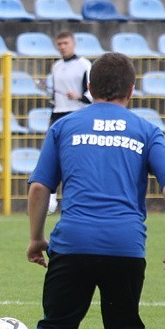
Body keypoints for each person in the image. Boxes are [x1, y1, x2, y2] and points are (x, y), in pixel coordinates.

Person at [22, 52, 165, 329]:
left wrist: (35, 238)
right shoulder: (147, 130)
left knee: (55, 326)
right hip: (125, 246)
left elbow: (38, 188)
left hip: (73, 242)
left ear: (88, 88)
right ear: (132, 89)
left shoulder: (64, 126)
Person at [45, 30, 92, 213]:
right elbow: (54, 98)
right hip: (58, 114)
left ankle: (78, 199)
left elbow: (91, 94)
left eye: (66, 43)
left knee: (77, 158)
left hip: (77, 114)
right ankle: (51, 200)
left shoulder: (84, 65)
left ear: (73, 43)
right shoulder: (56, 67)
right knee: (53, 157)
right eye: (60, 44)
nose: (62, 47)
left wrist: (80, 96)